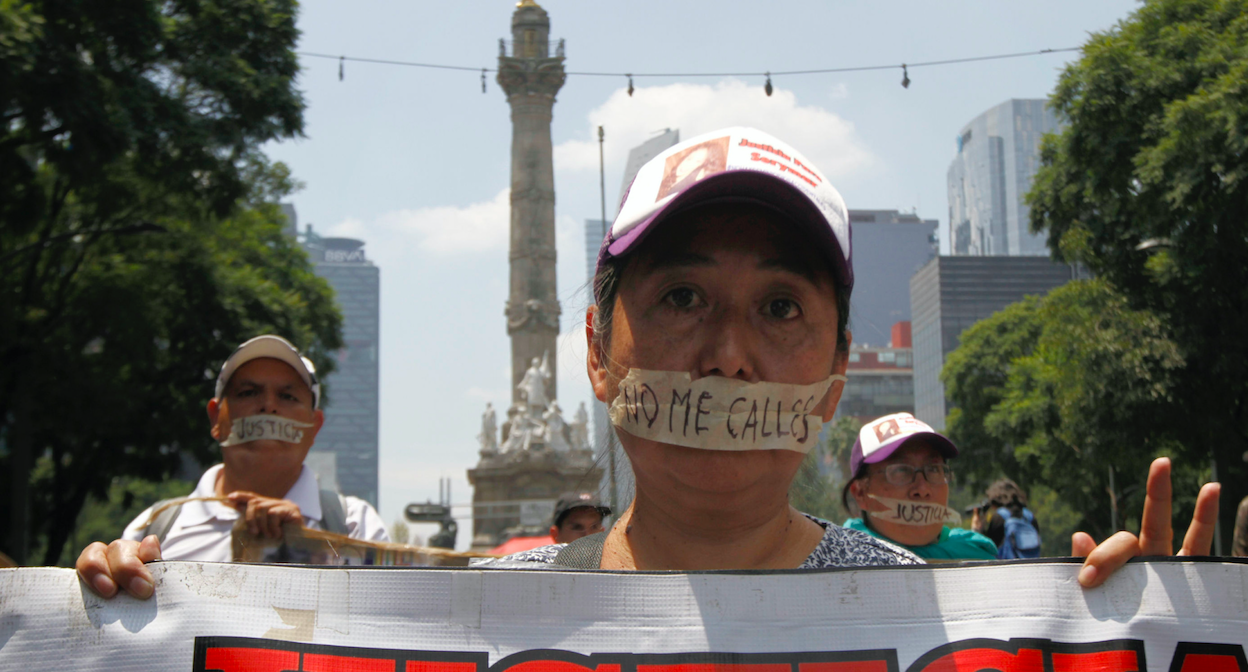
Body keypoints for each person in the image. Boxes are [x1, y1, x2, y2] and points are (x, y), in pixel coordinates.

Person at [496, 127, 1219, 582]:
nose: (728, 357)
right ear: (597, 349)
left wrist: (1153, 639)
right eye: (683, 297)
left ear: (837, 374)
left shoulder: (948, 622)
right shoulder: (482, 619)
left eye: (780, 308)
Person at [76, 335, 388, 599]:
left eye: (288, 395)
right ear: (216, 419)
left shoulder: (353, 525)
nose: (268, 407)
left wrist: (308, 549)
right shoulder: (154, 528)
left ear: (314, 426)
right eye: (248, 393)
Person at [841, 413, 997, 561]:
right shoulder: (838, 563)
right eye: (900, 470)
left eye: (934, 469)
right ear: (861, 493)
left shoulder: (979, 558)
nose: (922, 490)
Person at [972, 478, 1042, 559]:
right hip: (1031, 567)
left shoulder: (1000, 517)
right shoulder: (1029, 517)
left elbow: (988, 549)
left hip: (1008, 569)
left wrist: (977, 529)